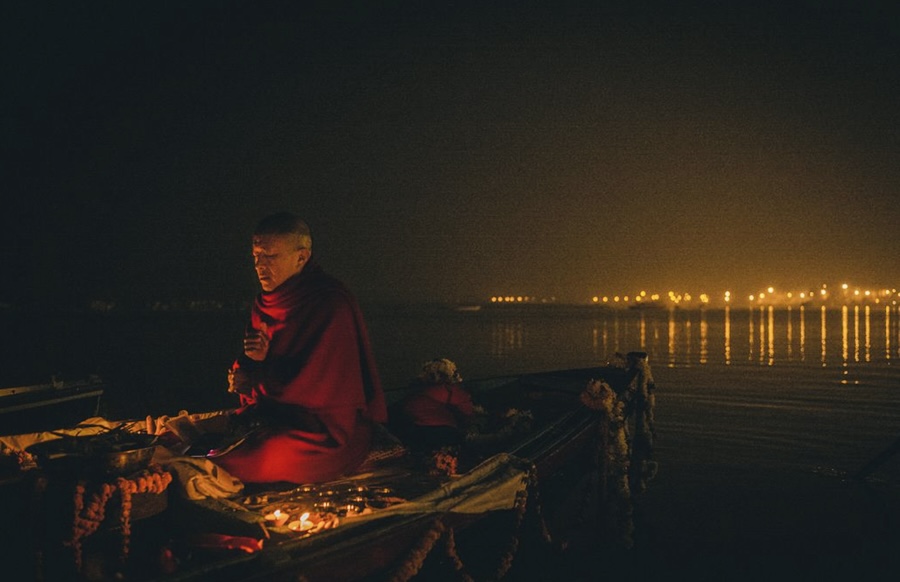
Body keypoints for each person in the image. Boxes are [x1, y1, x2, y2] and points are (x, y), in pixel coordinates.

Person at [213, 211, 387, 484]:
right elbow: (255, 362)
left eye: (270, 257)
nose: (260, 266)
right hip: (275, 413)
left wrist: (256, 377)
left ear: (302, 257)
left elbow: (313, 387)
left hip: (322, 426)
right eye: (256, 256)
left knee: (261, 456)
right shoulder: (267, 301)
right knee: (221, 443)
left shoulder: (330, 303)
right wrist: (244, 369)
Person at [393, 358, 474, 451]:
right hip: (447, 434)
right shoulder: (451, 391)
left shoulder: (414, 392)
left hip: (418, 434)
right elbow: (467, 412)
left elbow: (407, 411)